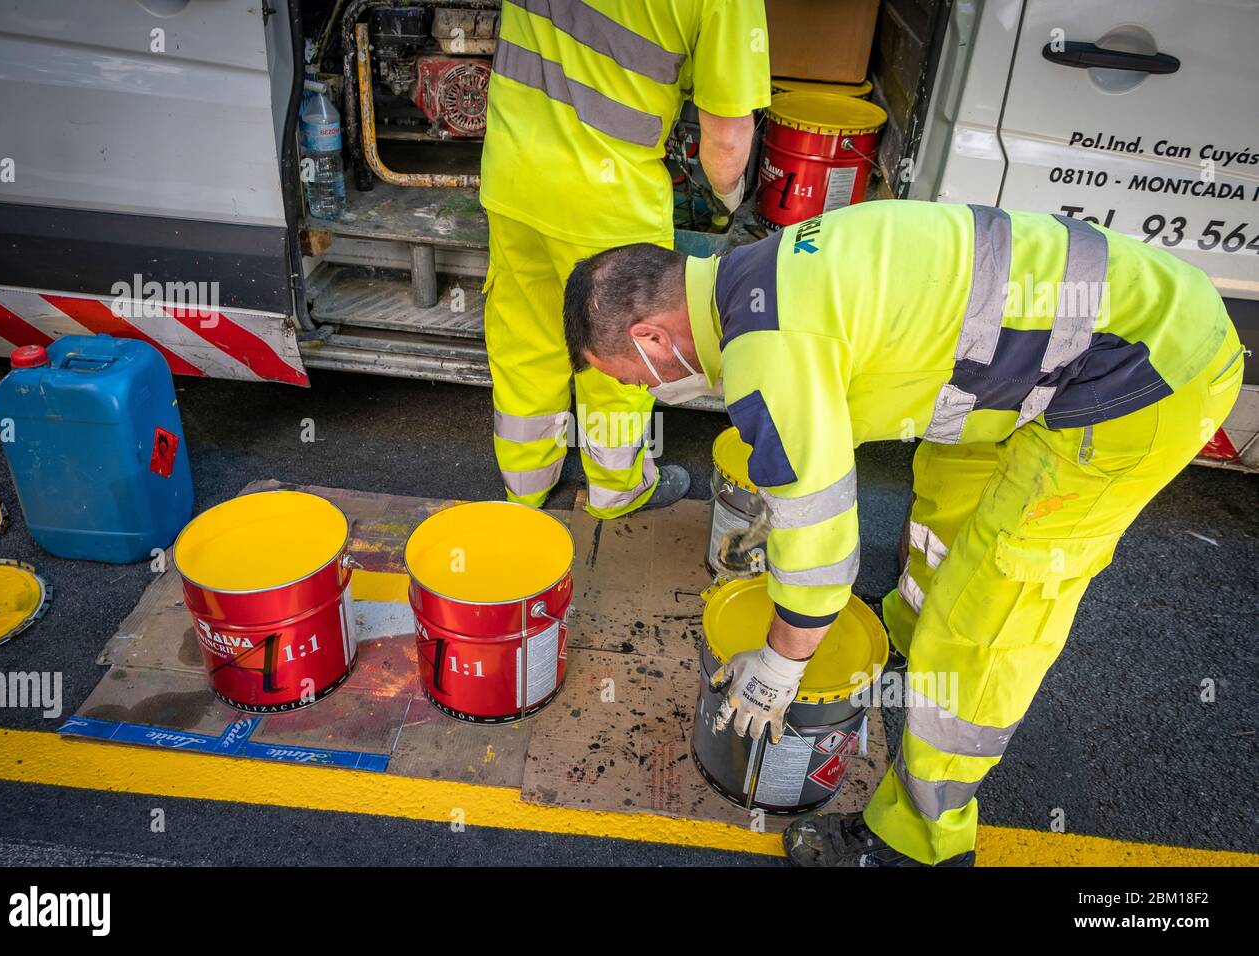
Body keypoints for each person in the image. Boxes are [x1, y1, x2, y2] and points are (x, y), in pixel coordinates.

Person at [561, 199, 1245, 865]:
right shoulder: (755, 274)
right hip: (1053, 351)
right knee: (946, 487)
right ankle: (911, 634)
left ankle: (923, 835)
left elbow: (819, 545)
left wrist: (779, 665)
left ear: (652, 337)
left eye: (629, 378)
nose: (645, 391)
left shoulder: (766, 350)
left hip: (1140, 373)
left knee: (993, 607)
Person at [480, 0, 769, 517]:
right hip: (609, 205)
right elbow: (725, 140)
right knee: (620, 353)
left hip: (514, 174)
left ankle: (524, 488)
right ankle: (616, 489)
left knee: (525, 337)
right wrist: (728, 209)